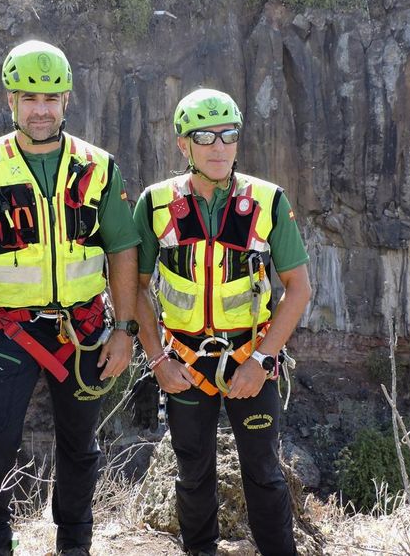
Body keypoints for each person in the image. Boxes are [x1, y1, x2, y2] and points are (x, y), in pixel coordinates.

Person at [0, 40, 140, 556]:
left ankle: (74, 544)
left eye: (51, 98)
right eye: (29, 97)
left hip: (85, 330)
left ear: (67, 99)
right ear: (10, 100)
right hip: (10, 331)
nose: (41, 109)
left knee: (80, 448)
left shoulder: (98, 167)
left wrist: (125, 331)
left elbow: (123, 250)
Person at [133, 88, 312, 556]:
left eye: (228, 135)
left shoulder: (269, 202)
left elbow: (299, 288)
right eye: (205, 136)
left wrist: (261, 359)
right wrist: (156, 360)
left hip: (250, 359)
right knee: (192, 472)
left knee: (264, 472)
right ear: (183, 145)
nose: (218, 147)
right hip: (184, 362)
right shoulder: (155, 203)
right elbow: (134, 288)